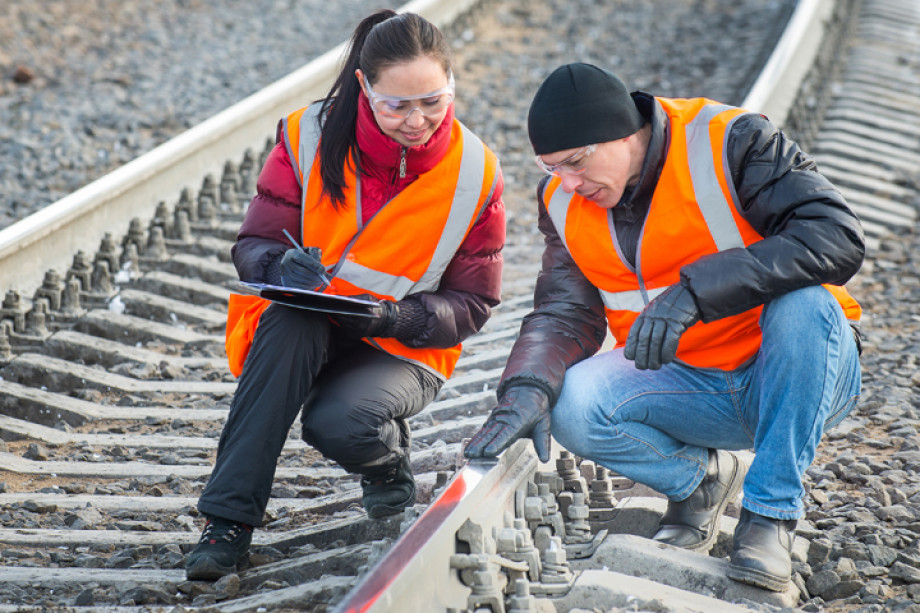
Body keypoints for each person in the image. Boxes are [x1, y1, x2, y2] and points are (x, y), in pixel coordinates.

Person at [465, 62, 863, 593]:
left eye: (577, 162)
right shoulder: (561, 201)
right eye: (553, 167)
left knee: (808, 304)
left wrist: (696, 293)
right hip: (693, 386)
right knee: (571, 402)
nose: (569, 182)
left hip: (797, 373)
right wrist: (526, 386)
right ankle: (699, 484)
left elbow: (836, 236)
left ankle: (770, 517)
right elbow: (564, 308)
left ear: (628, 132)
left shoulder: (732, 141)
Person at [185, 10, 505, 581]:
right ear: (364, 86)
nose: (418, 120)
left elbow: (474, 303)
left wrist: (397, 317)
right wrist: (281, 266)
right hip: (304, 329)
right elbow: (254, 243)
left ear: (451, 84)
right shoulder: (306, 136)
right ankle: (226, 523)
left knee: (338, 424)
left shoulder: (476, 171)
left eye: (433, 100)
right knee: (290, 320)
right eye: (397, 104)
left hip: (399, 346)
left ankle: (385, 464)